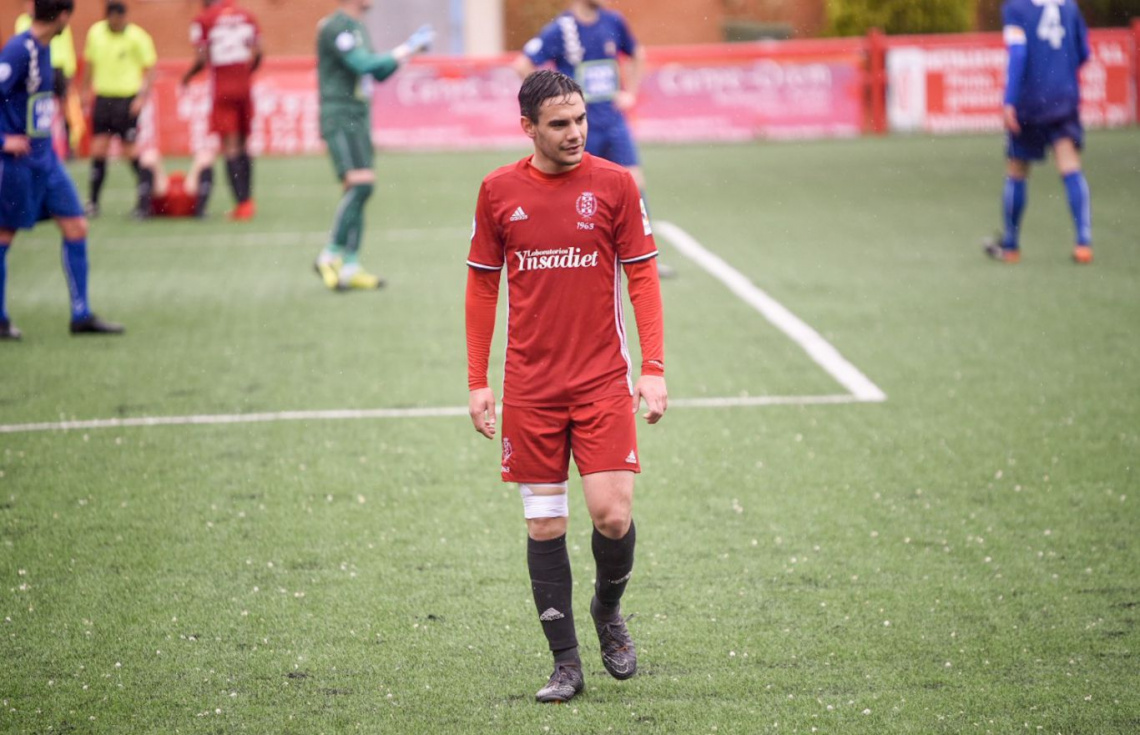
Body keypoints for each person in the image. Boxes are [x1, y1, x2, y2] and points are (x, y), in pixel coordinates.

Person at [466, 70, 667, 703]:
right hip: (530, 389)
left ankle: (608, 609)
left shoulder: (614, 185)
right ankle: (566, 665)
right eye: (559, 123)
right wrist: (478, 381)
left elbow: (642, 279)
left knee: (612, 516)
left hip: (603, 382)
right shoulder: (498, 191)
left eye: (579, 119)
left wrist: (654, 368)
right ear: (527, 127)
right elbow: (481, 286)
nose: (575, 132)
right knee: (545, 527)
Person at [514, 0, 675, 278]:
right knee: (572, 190)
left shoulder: (613, 21)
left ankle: (644, 257)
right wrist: (552, 103)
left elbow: (637, 53)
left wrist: (631, 93)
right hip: (579, 128)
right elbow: (522, 64)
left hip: (614, 122)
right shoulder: (561, 29)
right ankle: (566, 255)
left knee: (634, 187)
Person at [0, 0, 124, 341]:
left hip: (47, 160)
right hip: (18, 164)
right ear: (64, 17)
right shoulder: (18, 49)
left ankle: (81, 315)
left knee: (76, 225)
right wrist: (3, 140)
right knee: (3, 237)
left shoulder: (44, 46)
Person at [312, 0, 433, 291]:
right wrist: (406, 48)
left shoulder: (357, 27)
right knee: (361, 185)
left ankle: (350, 266)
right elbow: (362, 64)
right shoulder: (336, 26)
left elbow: (377, 73)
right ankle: (330, 255)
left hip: (358, 116)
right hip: (340, 115)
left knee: (360, 189)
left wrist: (410, 51)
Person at [986, 0, 1092, 264]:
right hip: (1064, 98)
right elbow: (1083, 52)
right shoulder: (1069, 5)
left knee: (1017, 170)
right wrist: (1059, 76)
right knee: (1070, 166)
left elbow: (1018, 53)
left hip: (1030, 101)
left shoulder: (1016, 7)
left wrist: (1009, 101)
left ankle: (1011, 246)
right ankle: (1083, 242)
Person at [181, 0, 261, 221]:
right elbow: (259, 52)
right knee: (244, 144)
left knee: (231, 146)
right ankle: (248, 200)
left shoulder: (203, 19)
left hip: (223, 89)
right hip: (244, 85)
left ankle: (242, 204)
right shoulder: (246, 15)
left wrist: (187, 77)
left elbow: (201, 58)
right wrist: (245, 74)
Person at [81, 0, 156, 218]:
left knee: (130, 151)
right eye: (114, 19)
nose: (118, 22)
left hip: (127, 100)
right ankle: (93, 203)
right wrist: (85, 91)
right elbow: (90, 63)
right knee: (99, 149)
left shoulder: (137, 37)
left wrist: (141, 97)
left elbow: (150, 68)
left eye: (121, 18)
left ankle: (144, 202)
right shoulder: (96, 33)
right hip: (104, 99)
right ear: (108, 18)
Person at [15, 0, 79, 156]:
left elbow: (67, 47)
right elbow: (22, 48)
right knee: (32, 104)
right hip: (35, 67)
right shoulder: (22, 23)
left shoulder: (59, 24)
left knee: (64, 107)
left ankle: (70, 144)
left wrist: (69, 72)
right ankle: (27, 142)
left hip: (57, 67)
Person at [133, 147, 215, 218]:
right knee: (150, 155)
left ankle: (143, 210)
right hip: (168, 198)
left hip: (177, 198)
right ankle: (143, 209)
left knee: (149, 156)